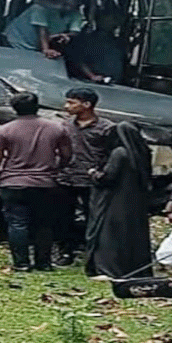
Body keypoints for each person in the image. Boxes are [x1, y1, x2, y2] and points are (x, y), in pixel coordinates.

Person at [0, 92, 72, 272]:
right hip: (45, 184)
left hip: (13, 183)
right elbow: (67, 155)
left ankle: (21, 264)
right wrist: (55, 169)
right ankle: (43, 263)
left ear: (14, 109)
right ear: (37, 106)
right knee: (44, 225)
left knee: (17, 224)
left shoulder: (4, 130)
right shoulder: (57, 128)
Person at [54, 87, 114, 266]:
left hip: (91, 180)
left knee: (94, 218)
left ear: (87, 105)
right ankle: (65, 252)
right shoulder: (64, 125)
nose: (67, 106)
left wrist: (101, 173)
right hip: (65, 177)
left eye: (72, 102)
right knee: (63, 217)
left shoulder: (107, 128)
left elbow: (112, 155)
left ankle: (94, 255)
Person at [86, 122, 153, 278]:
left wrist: (93, 174)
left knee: (109, 234)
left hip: (115, 199)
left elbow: (108, 177)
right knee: (132, 235)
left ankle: (109, 269)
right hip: (136, 200)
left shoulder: (120, 153)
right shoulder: (143, 152)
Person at [2, 0, 84, 59]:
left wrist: (64, 35)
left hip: (35, 47)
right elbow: (42, 31)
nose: (73, 0)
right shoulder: (39, 8)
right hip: (15, 42)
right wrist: (46, 49)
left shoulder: (75, 14)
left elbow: (74, 32)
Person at [64, 1, 126, 83]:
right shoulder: (86, 39)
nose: (114, 22)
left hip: (114, 82)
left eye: (116, 19)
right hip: (92, 81)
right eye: (111, 18)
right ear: (99, 19)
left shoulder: (117, 41)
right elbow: (79, 60)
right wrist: (92, 76)